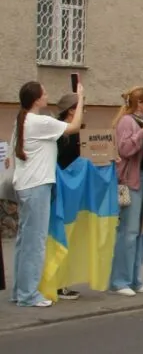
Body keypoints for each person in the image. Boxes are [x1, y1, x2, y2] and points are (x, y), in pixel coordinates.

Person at [9, 81, 84, 307]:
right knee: (35, 243)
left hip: (26, 185)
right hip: (37, 186)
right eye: (44, 93)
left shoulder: (23, 120)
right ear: (36, 99)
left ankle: (20, 291)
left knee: (25, 241)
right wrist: (80, 98)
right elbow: (74, 126)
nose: (47, 95)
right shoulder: (39, 122)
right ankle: (28, 295)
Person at [110, 86, 143, 297]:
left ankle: (136, 279)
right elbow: (125, 149)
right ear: (139, 103)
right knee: (129, 232)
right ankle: (119, 280)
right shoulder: (127, 121)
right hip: (131, 181)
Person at [54, 92, 83, 300]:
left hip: (72, 190)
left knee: (69, 236)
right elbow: (65, 161)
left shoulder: (75, 133)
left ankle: (62, 281)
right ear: (71, 111)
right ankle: (58, 283)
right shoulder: (63, 134)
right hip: (64, 190)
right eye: (81, 107)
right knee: (61, 236)